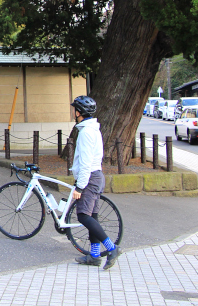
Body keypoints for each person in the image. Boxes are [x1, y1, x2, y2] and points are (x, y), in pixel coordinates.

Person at [70, 95, 122, 270]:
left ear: (79, 112)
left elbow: (85, 163)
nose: (73, 112)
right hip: (97, 175)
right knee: (92, 216)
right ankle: (94, 255)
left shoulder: (85, 133)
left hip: (90, 177)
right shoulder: (94, 129)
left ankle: (111, 248)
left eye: (75, 109)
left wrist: (79, 186)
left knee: (83, 216)